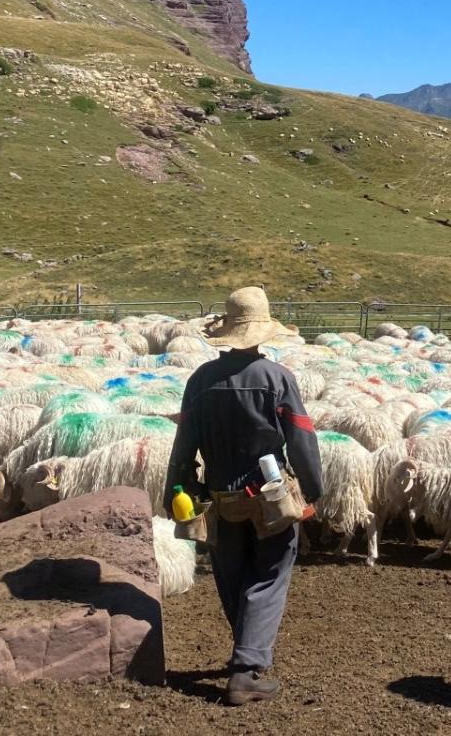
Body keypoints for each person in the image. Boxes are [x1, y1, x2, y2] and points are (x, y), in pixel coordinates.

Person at [164, 286, 323, 706]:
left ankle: (245, 653)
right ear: (260, 333)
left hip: (220, 496)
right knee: (269, 575)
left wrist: (178, 489)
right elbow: (302, 438)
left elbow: (184, 443)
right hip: (270, 496)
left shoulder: (199, 380)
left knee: (231, 575)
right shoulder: (277, 378)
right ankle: (247, 670)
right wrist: (314, 490)